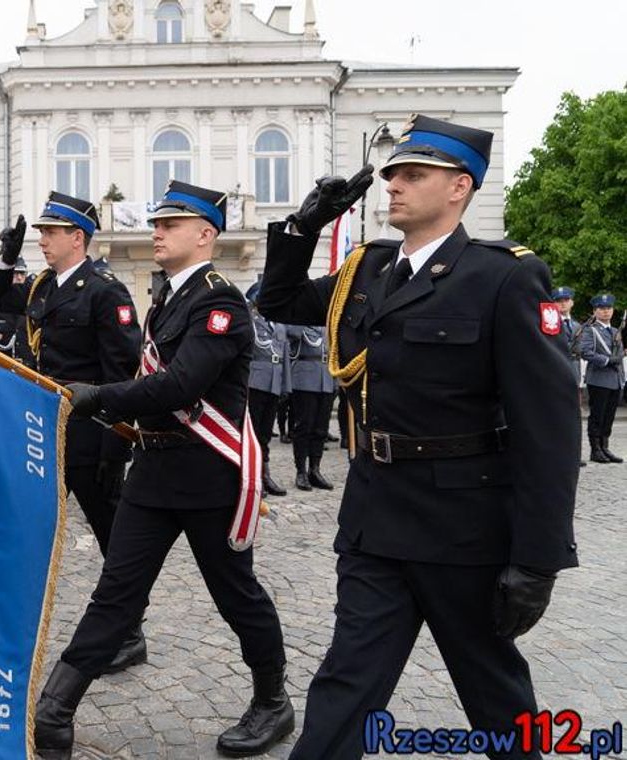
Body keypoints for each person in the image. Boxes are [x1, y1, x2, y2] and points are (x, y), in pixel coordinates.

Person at [258, 114, 580, 759]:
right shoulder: (368, 269)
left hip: (464, 527)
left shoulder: (503, 277)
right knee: (345, 685)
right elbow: (279, 302)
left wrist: (538, 558)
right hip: (376, 519)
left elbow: (549, 427)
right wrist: (302, 227)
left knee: (494, 696)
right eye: (393, 174)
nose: (394, 185)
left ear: (459, 187)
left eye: (414, 174)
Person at [35, 181, 293, 759]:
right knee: (116, 592)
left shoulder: (220, 301)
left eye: (171, 224)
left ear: (205, 235)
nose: (157, 230)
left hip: (208, 474)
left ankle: (273, 699)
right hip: (154, 471)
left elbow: (180, 384)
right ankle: (55, 711)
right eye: (157, 222)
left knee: (236, 595)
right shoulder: (169, 295)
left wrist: (97, 395)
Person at [0, 191, 144, 671]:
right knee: (27, 526)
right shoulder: (42, 288)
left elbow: (122, 373)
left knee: (112, 538)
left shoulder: (105, 290)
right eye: (40, 234)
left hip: (91, 441)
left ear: (78, 238)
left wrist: (116, 447)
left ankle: (130, 631)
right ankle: (10, 621)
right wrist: (6, 256)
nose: (42, 242)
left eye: (50, 233)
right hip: (43, 437)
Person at [245, 281, 289, 497]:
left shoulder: (279, 325)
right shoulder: (250, 322)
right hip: (255, 382)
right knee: (251, 434)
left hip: (274, 382)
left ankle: (265, 474)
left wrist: (285, 386)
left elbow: (285, 358)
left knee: (264, 435)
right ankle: (251, 477)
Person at [286, 325, 335, 491]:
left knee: (321, 429)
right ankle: (301, 472)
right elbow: (290, 333)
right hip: (305, 378)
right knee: (303, 427)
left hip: (326, 379)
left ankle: (315, 469)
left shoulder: (327, 325)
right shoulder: (299, 324)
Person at [578, 293, 624, 464]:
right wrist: (606, 360)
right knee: (597, 415)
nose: (606, 312)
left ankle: (605, 446)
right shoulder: (590, 331)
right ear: (595, 311)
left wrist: (619, 368)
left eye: (609, 308)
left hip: (615, 380)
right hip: (599, 379)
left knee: (609, 416)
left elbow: (619, 354)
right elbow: (585, 352)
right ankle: (595, 449)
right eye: (602, 309)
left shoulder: (614, 331)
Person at [552, 286, 586, 468]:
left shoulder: (578, 326)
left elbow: (581, 350)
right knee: (557, 413)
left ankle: (574, 453)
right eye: (558, 300)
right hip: (556, 370)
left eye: (566, 300)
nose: (562, 304)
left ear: (572, 302)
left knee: (574, 414)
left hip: (573, 370)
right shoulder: (550, 322)